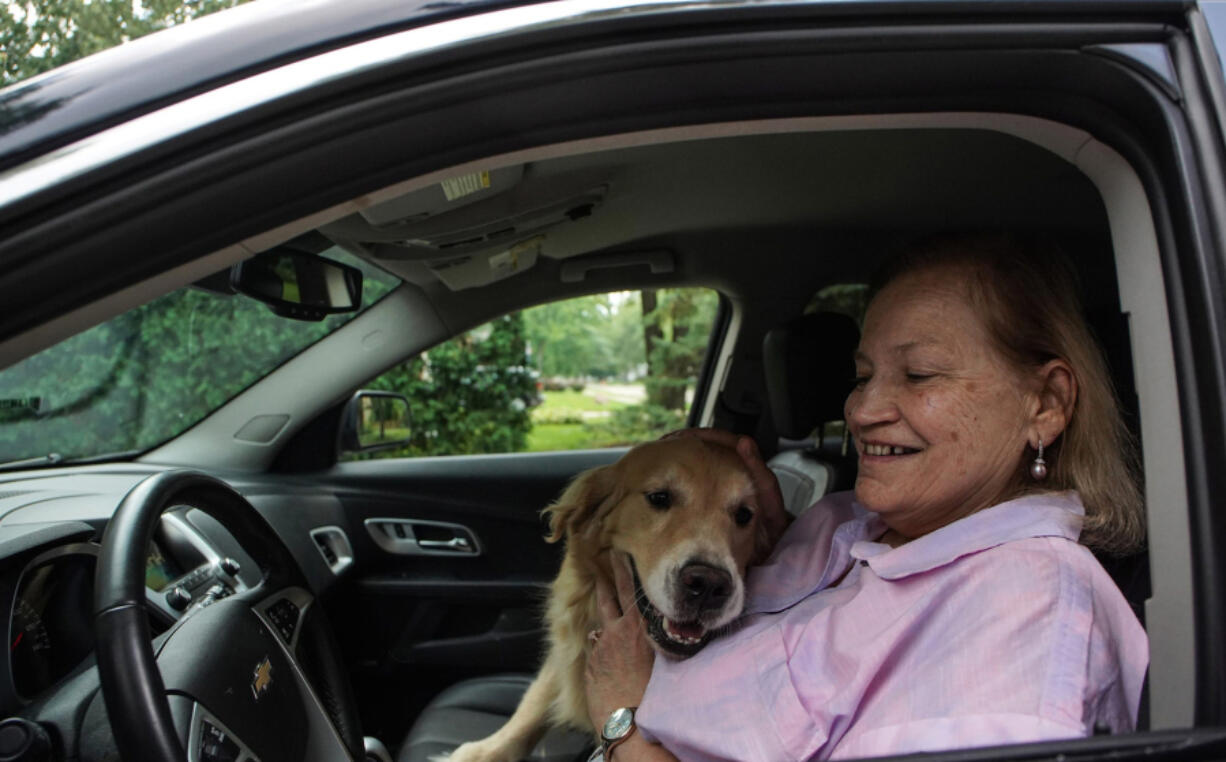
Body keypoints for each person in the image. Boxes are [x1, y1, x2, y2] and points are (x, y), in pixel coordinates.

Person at [582, 235, 1149, 761]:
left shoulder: (1026, 608)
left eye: (920, 374)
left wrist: (621, 721)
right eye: (862, 376)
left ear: (1045, 405)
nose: (862, 410)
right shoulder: (847, 521)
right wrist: (759, 531)